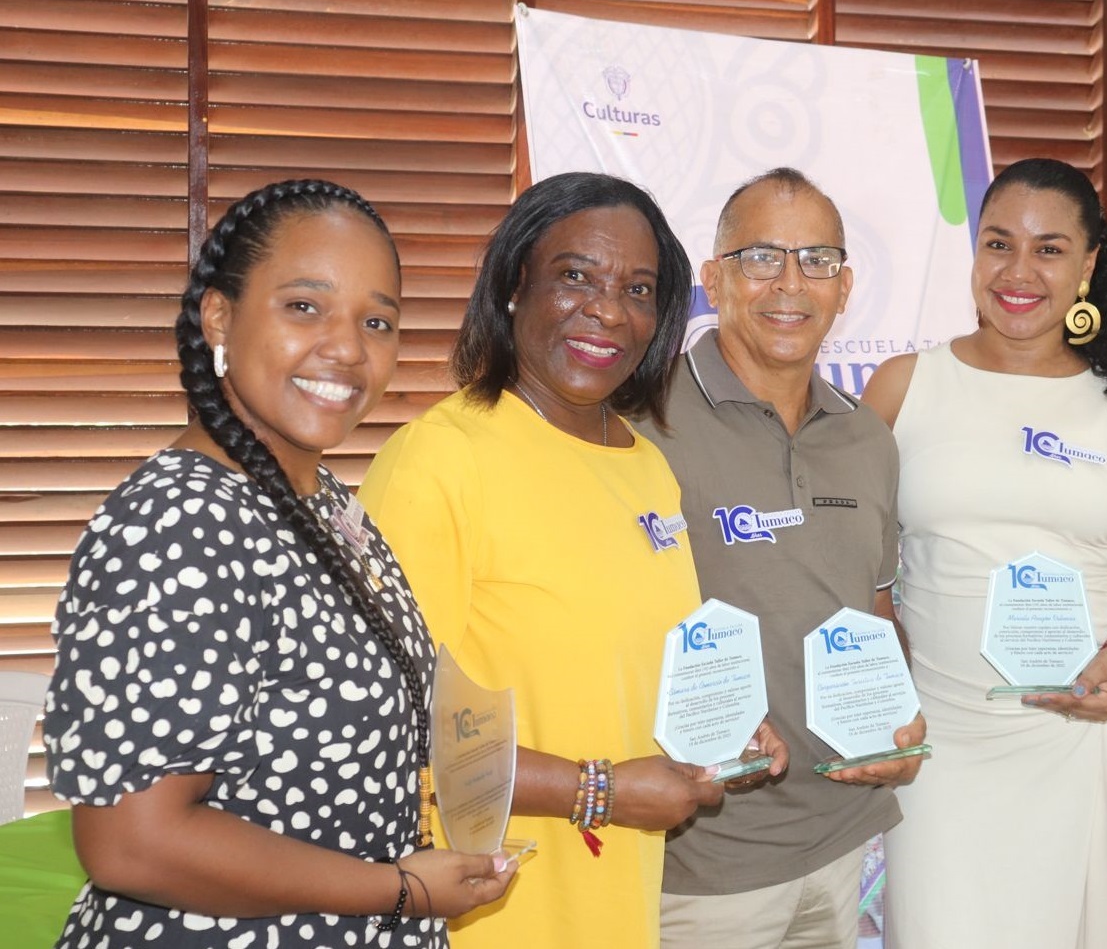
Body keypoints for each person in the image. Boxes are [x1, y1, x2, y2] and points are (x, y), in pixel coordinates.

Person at [43, 180, 516, 948]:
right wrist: (395, 888)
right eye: (305, 306)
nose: (346, 347)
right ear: (219, 317)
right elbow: (132, 840)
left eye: (377, 321)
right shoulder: (180, 522)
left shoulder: (323, 500)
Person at [358, 172, 769, 949]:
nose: (609, 309)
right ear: (515, 285)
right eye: (575, 276)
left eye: (639, 289)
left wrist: (722, 729)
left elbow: (625, 670)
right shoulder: (439, 461)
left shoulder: (646, 464)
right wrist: (601, 790)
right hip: (488, 913)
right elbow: (393, 728)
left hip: (613, 902)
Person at [860, 157, 1107, 948]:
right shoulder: (902, 385)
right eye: (997, 244)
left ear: (1087, 265)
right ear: (974, 253)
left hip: (1078, 738)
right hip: (936, 749)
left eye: (1048, 249)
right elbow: (849, 562)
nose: (1018, 271)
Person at [636, 167, 927, 949]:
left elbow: (874, 606)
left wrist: (896, 714)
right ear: (712, 278)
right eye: (761, 256)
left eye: (817, 260)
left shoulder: (867, 439)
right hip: (702, 860)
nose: (790, 283)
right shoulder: (641, 421)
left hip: (845, 843)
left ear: (844, 286)